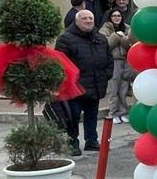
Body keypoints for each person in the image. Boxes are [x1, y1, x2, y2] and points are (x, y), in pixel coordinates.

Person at [55, 10, 113, 157]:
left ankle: (91, 141)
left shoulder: (100, 38)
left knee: (92, 116)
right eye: (84, 18)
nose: (88, 21)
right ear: (76, 21)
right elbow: (60, 63)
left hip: (95, 85)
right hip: (75, 88)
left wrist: (106, 75)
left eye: (91, 18)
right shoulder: (65, 39)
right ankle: (72, 143)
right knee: (72, 117)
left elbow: (109, 60)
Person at [99, 8, 134, 123]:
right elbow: (106, 46)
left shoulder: (127, 28)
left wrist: (123, 38)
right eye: (114, 16)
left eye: (119, 15)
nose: (117, 17)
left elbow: (130, 45)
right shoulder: (104, 30)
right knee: (113, 89)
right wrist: (116, 36)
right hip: (112, 61)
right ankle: (113, 112)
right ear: (110, 17)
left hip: (125, 60)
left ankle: (123, 112)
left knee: (123, 88)